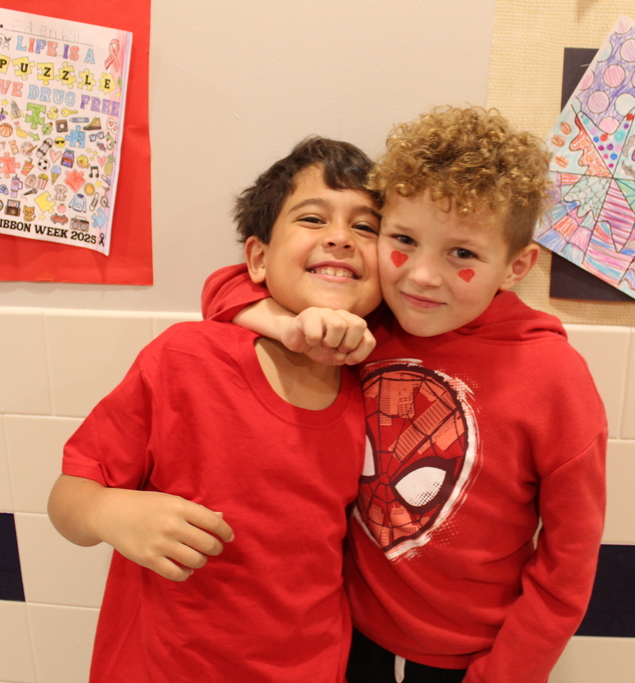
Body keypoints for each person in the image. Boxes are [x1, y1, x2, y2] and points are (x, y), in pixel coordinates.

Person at [202, 105, 608, 683]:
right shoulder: (370, 328)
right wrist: (288, 327)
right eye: (403, 240)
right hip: (349, 637)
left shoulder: (553, 378)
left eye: (462, 253)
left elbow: (569, 564)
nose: (420, 275)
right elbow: (223, 288)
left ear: (517, 266)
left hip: (470, 660)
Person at [47, 136, 385, 682]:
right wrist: (111, 513)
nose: (341, 238)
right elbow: (67, 499)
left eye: (365, 227)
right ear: (257, 257)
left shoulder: (378, 385)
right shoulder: (185, 360)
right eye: (313, 219)